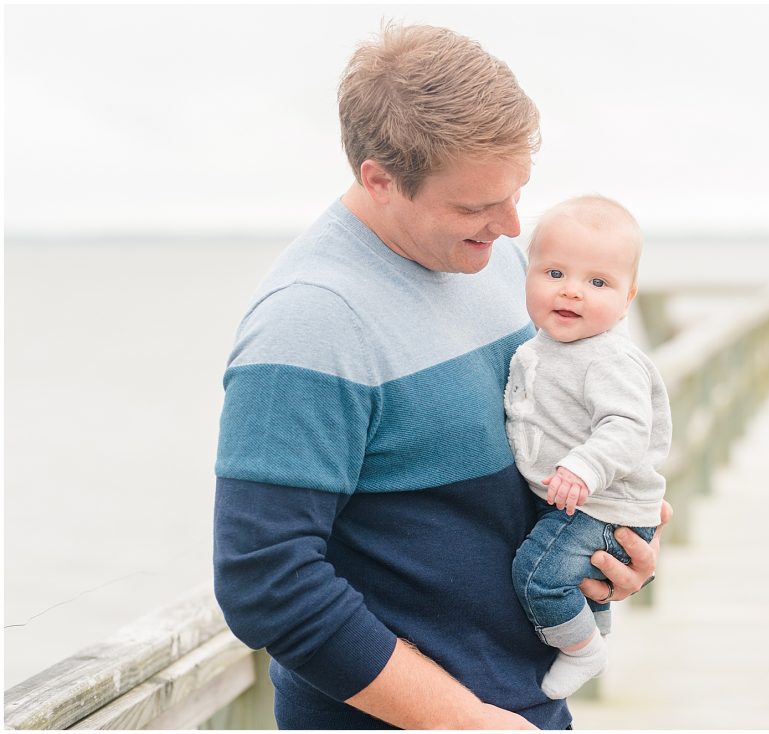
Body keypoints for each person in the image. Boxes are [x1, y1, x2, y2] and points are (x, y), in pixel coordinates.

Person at [213, 23, 669, 730]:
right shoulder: (311, 321)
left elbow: (536, 464)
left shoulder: (502, 265)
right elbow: (266, 583)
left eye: (516, 193)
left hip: (530, 702)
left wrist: (611, 560)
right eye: (476, 206)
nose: (513, 225)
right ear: (379, 179)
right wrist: (466, 721)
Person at [506, 196, 671, 700]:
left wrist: (582, 467)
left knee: (538, 576)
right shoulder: (549, 347)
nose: (572, 291)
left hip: (599, 503)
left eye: (598, 283)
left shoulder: (607, 358)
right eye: (554, 273)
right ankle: (593, 633)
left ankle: (583, 652)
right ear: (527, 271)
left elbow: (625, 426)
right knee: (571, 579)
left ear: (628, 298)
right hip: (583, 500)